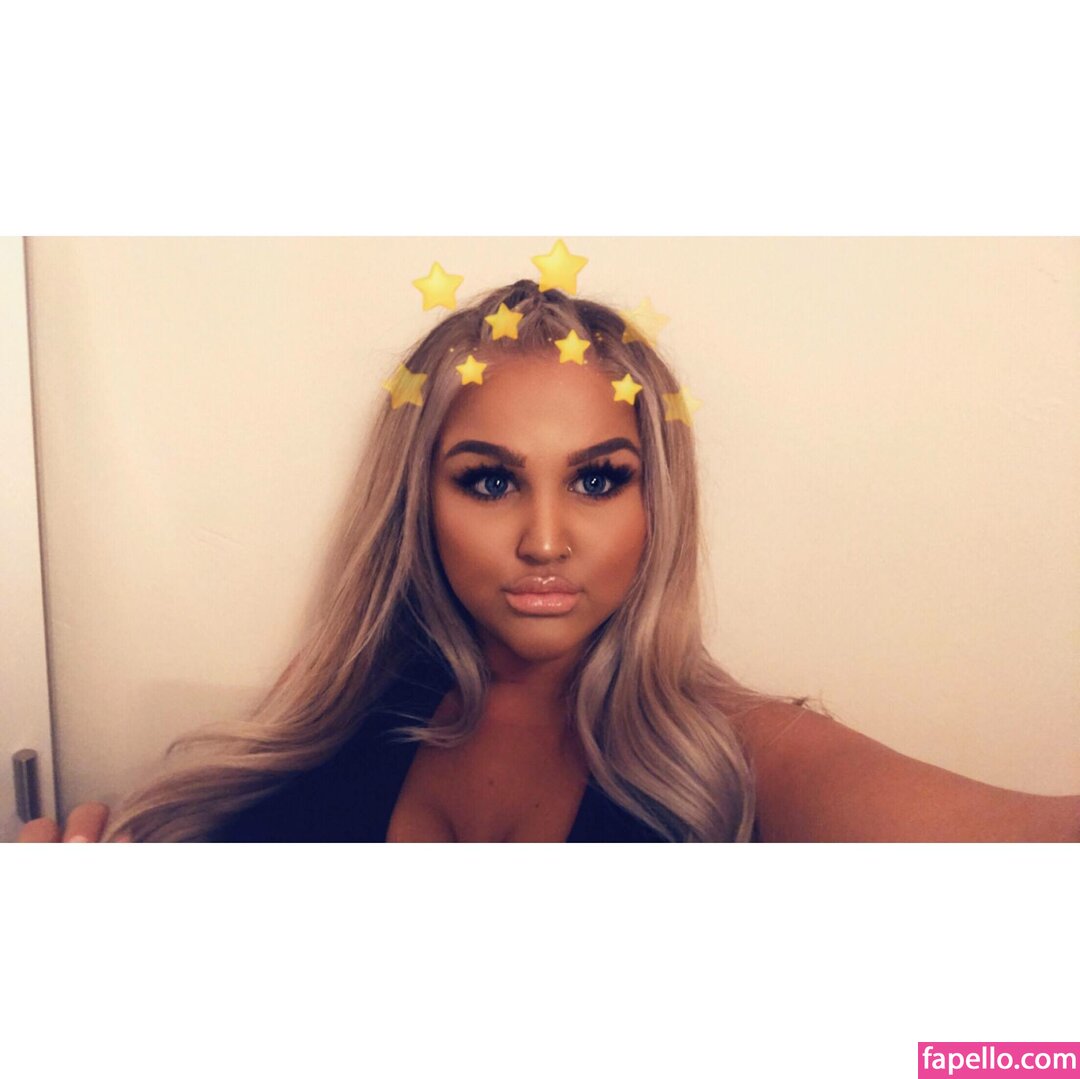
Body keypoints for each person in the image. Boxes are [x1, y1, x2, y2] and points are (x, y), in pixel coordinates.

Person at [19, 278, 1080, 842]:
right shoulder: (333, 713)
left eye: (599, 478)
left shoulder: (746, 754)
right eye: (489, 480)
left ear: (658, 501)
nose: (542, 538)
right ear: (418, 498)